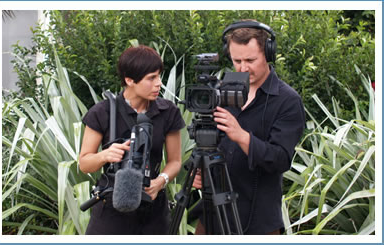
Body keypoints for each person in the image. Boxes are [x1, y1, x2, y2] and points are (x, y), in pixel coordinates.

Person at [193, 20, 306, 235]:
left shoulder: (287, 100)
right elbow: (208, 137)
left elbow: (281, 159)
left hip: (259, 222)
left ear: (268, 54)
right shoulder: (220, 91)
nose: (243, 68)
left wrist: (241, 136)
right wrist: (200, 171)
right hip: (212, 215)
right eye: (237, 60)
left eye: (250, 60)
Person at [79, 45, 185, 235]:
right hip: (111, 210)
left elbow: (175, 161)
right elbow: (85, 163)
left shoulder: (168, 112)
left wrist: (161, 181)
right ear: (129, 80)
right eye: (151, 78)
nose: (158, 84)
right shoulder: (102, 112)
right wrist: (105, 155)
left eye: (159, 76)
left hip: (154, 211)